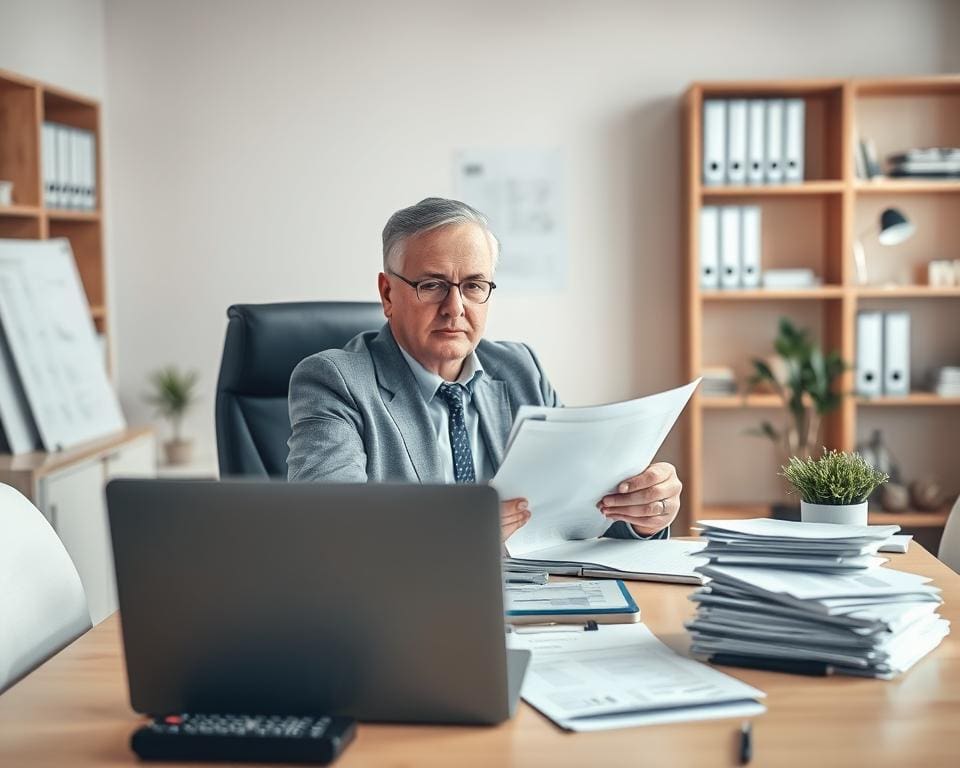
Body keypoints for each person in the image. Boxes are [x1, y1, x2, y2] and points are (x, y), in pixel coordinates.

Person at [287, 197, 681, 541]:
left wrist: (641, 512)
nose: (455, 308)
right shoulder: (336, 382)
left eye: (474, 286)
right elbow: (327, 527)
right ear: (388, 294)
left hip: (535, 598)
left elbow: (578, 509)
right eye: (432, 285)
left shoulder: (520, 369)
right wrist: (457, 532)